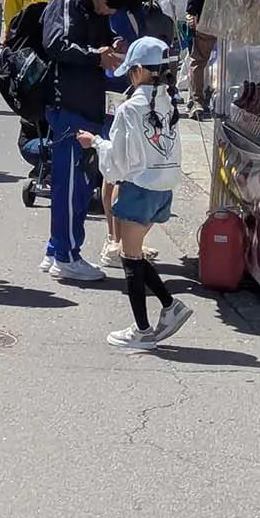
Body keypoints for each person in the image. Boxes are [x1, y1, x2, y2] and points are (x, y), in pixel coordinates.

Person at [79, 37, 193, 350]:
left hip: (139, 188)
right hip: (164, 188)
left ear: (140, 70)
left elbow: (117, 161)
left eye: (132, 71)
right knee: (136, 255)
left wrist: (95, 143)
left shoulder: (130, 108)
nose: (130, 76)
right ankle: (170, 307)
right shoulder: (170, 102)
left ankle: (142, 331)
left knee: (130, 259)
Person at [38, 0, 128, 286]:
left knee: (76, 186)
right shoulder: (66, 2)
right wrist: (96, 57)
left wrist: (113, 45)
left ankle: (56, 249)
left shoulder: (92, 11)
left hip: (85, 107)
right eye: (110, 5)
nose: (110, 11)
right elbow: (56, 44)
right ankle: (67, 256)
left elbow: (100, 40)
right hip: (69, 106)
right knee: (71, 186)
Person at [184, 0, 215, 117]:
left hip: (208, 21)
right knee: (200, 60)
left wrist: (192, 13)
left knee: (199, 60)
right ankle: (198, 99)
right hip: (213, 22)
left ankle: (197, 99)